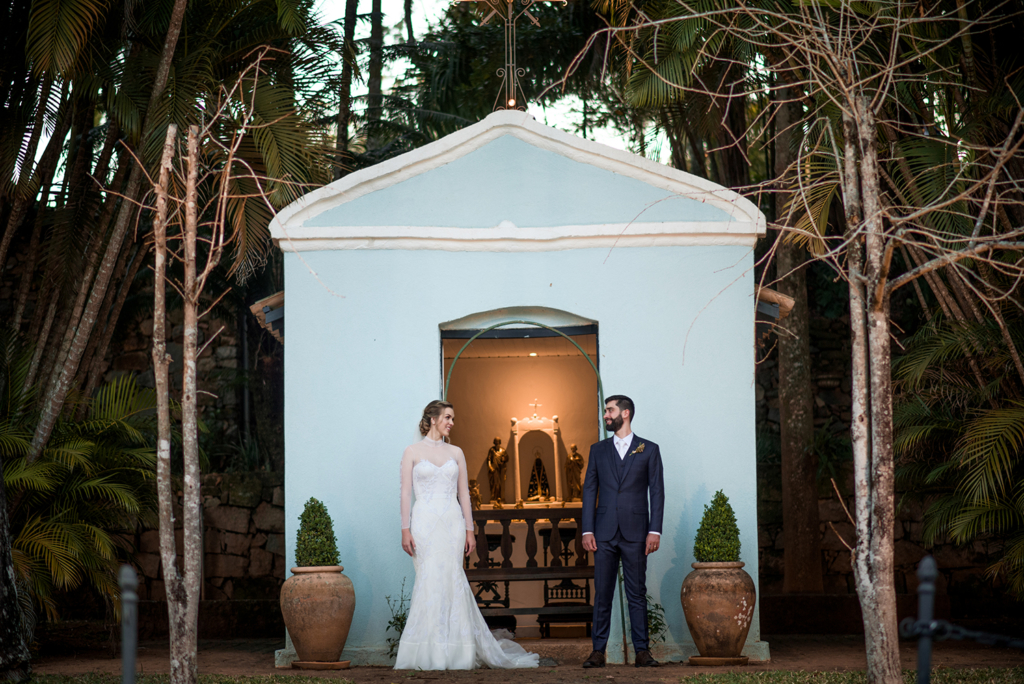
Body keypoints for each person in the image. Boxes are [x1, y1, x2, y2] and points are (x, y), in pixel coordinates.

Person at [396, 400, 539, 670]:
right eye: (448, 417)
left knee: (452, 579)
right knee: (428, 581)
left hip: (452, 523)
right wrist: (405, 529)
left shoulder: (457, 452)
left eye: (453, 418)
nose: (451, 422)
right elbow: (405, 493)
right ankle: (428, 653)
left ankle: (456, 653)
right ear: (433, 419)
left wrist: (470, 530)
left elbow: (464, 494)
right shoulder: (412, 452)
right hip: (424, 524)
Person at [581, 395, 665, 668]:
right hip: (603, 532)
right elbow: (589, 490)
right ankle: (597, 652)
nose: (606, 415)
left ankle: (642, 652)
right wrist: (587, 530)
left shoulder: (649, 449)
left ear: (625, 413)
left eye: (610, 410)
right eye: (606, 411)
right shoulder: (598, 450)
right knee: (602, 594)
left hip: (637, 532)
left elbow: (657, 492)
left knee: (636, 594)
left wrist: (655, 531)